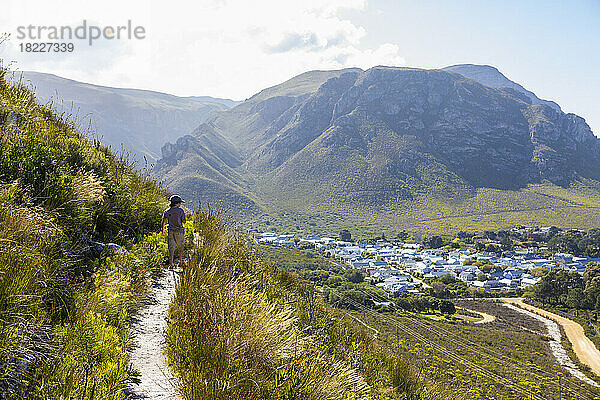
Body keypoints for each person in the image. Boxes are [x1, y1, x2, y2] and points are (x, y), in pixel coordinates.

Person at [162, 195, 186, 269]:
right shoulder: (180, 211)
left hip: (170, 231)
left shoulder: (167, 211)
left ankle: (171, 264)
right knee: (180, 248)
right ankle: (181, 262)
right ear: (177, 203)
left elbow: (163, 222)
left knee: (171, 248)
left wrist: (163, 230)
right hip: (179, 231)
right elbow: (184, 221)